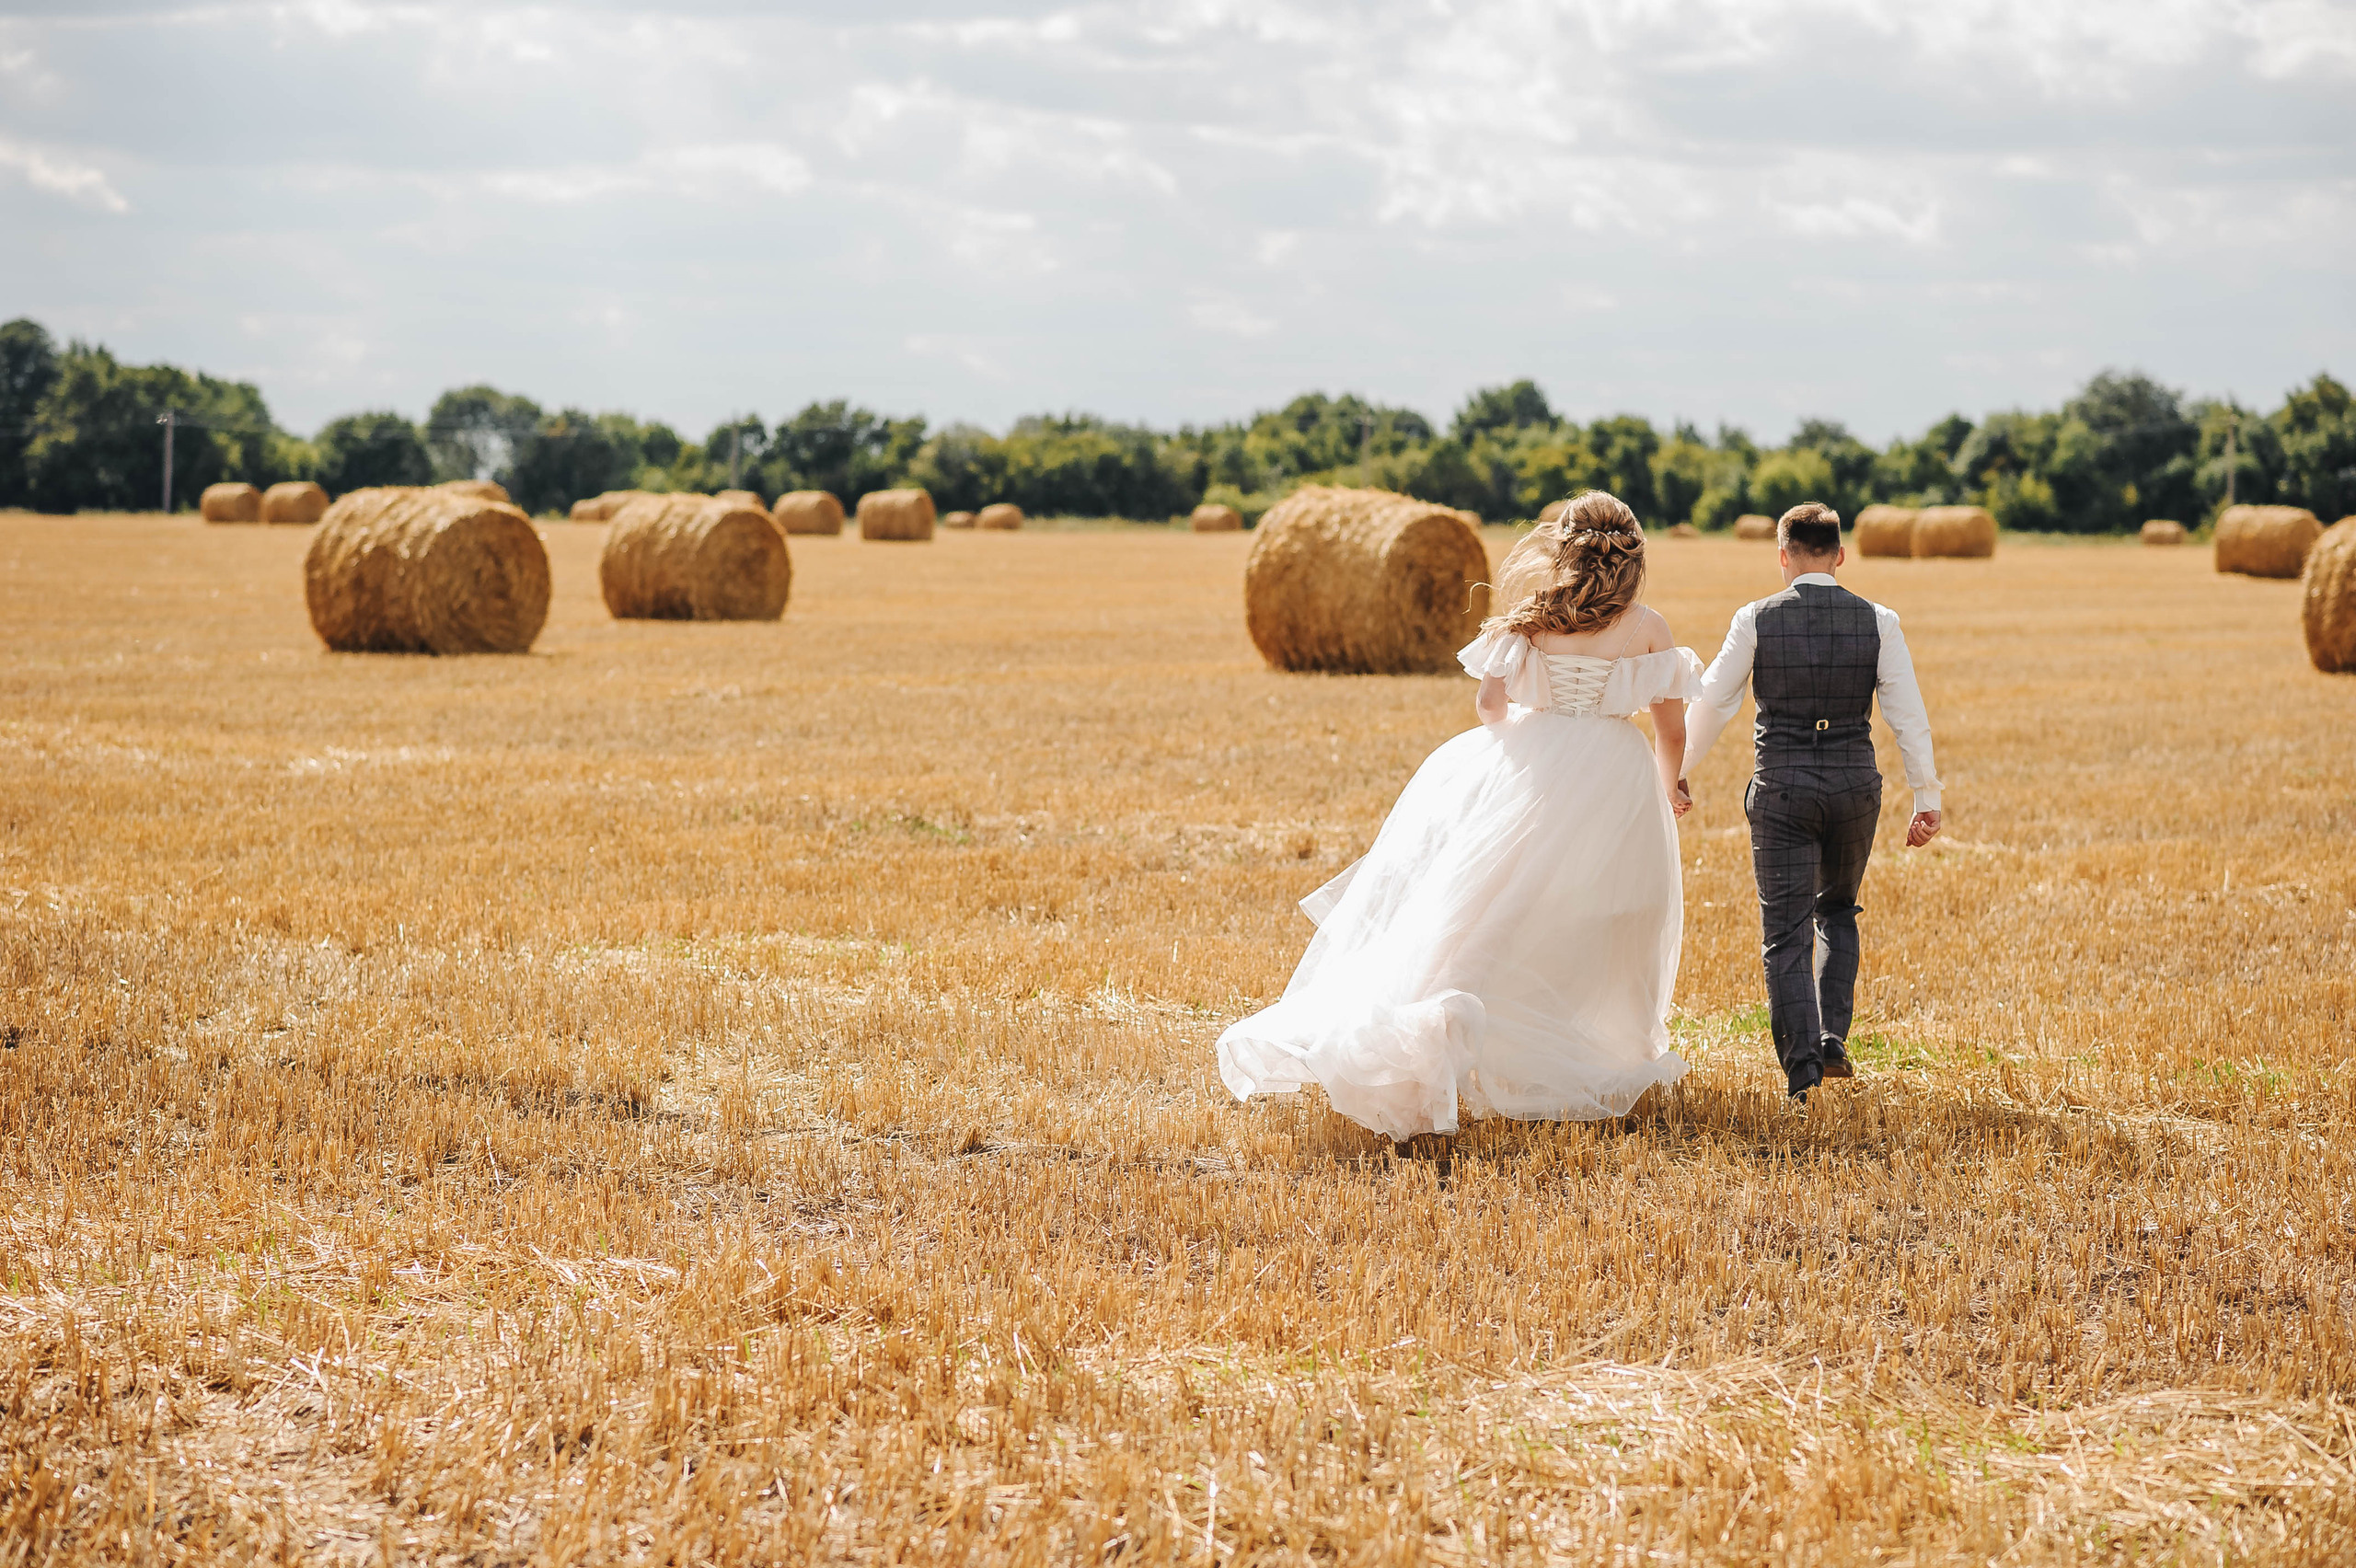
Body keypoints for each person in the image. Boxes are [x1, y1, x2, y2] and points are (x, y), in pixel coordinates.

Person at [1217, 490, 1702, 1147]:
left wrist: (1523, 738)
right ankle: (1599, 1048)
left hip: (1532, 760)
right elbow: (1670, 728)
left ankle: (1445, 1022)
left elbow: (1486, 706)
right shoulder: (1648, 626)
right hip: (1613, 769)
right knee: (1608, 919)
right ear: (1631, 557)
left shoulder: (1532, 618)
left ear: (1563, 549)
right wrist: (1672, 784)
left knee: (1488, 907)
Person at [1682, 502, 1943, 1101]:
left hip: (1783, 788)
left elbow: (1715, 703)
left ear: (1783, 556)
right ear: (1841, 556)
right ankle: (1832, 1040)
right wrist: (1925, 795)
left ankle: (1800, 1072)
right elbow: (1907, 715)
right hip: (1855, 786)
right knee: (1838, 909)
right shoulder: (1880, 620)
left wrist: (1675, 771)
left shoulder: (1755, 618)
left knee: (1786, 932)